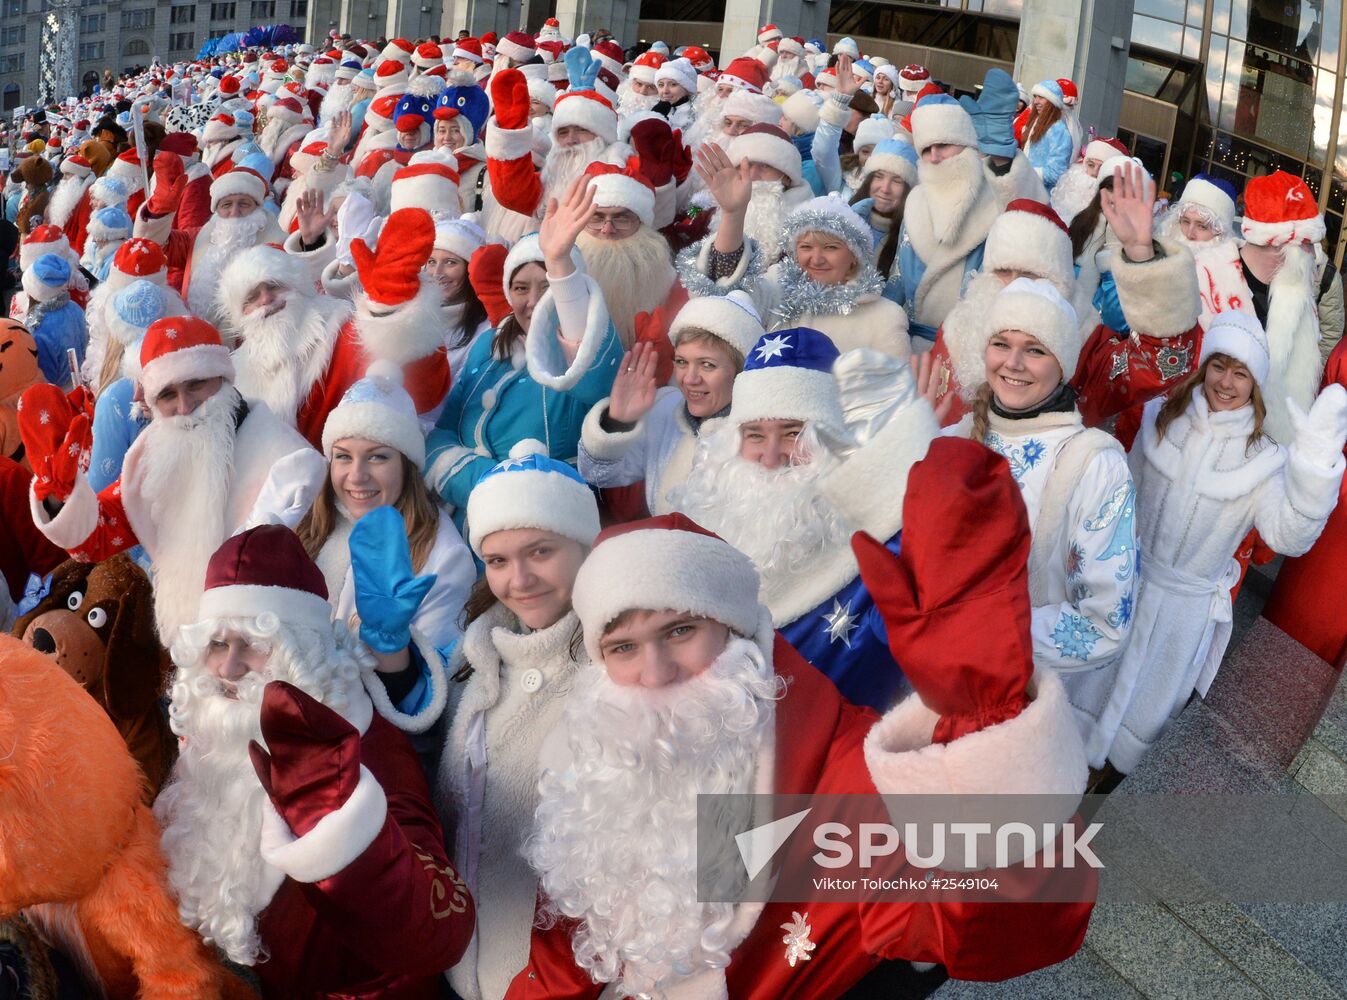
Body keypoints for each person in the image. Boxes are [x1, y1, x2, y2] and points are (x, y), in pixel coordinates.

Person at [507, 459, 1095, 997]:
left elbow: (1009, 919)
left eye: (680, 631)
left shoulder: (845, 774)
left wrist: (986, 712)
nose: (655, 673)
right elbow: (561, 964)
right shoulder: (600, 760)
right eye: (623, 648)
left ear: (735, 631)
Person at [155, 524, 475, 998]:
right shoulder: (211, 744)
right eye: (217, 644)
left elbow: (435, 937)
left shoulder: (369, 754)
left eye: (253, 644)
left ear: (302, 654)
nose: (229, 667)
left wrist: (336, 825)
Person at [1084, 313, 1347, 772]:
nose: (1226, 383)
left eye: (1240, 373)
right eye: (1219, 366)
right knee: (1082, 703)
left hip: (1182, 615)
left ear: (1256, 384)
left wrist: (1313, 473)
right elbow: (1121, 495)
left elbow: (1289, 537)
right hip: (1122, 588)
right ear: (1204, 366)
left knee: (1137, 731)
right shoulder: (1160, 418)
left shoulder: (1265, 459)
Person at [673, 328, 940, 710]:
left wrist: (917, 457)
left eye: (793, 434)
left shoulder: (879, 548)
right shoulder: (702, 525)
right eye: (754, 435)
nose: (771, 457)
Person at [19, 316, 326, 639]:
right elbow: (99, 538)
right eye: (168, 394)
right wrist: (59, 493)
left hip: (265, 638)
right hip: (187, 643)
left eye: (196, 384)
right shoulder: (155, 455)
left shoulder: (286, 460)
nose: (185, 406)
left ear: (222, 377)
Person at [934, 277, 1137, 754]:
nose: (1013, 363)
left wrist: (977, 636)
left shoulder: (1093, 464)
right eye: (1001, 344)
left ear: (1062, 364)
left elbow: (1104, 624)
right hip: (928, 681)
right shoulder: (955, 438)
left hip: (1014, 704)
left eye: (1035, 350)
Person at [432, 442, 602, 1000]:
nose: (520, 579)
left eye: (541, 551)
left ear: (585, 545)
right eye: (499, 561)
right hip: (460, 969)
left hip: (563, 982)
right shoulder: (474, 656)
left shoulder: (616, 668)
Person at [425, 179, 622, 533]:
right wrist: (477, 478)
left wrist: (559, 263)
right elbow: (443, 434)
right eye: (520, 288)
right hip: (460, 527)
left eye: (547, 286)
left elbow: (591, 375)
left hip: (540, 528)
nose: (532, 302)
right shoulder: (489, 346)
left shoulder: (587, 350)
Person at [930, 189, 1202, 433]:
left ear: (1059, 283)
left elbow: (1164, 362)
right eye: (1003, 271)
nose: (1013, 285)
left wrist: (1145, 261)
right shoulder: (957, 329)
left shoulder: (1088, 345)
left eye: (1029, 275)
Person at [295, 374, 476, 653]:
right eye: (343, 456)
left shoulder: (444, 557)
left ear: (407, 464)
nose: (357, 476)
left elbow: (431, 668)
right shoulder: (305, 522)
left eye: (377, 457)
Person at [687, 162, 912, 358]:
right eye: (805, 247)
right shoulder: (776, 289)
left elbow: (892, 389)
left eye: (830, 248)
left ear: (854, 256)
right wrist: (733, 215)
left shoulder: (885, 318)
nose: (816, 259)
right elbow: (721, 295)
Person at [578, 291, 764, 514]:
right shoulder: (664, 409)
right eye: (682, 362)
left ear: (742, 371)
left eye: (707, 365)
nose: (690, 378)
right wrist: (617, 422)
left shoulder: (761, 434)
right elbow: (598, 475)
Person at [892, 95, 1001, 342]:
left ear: (967, 145)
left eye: (943, 145)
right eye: (926, 149)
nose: (934, 157)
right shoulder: (915, 201)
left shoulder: (995, 204)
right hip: (907, 342)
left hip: (965, 345)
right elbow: (896, 280)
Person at [134, 152, 287, 328]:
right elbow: (153, 246)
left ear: (257, 206)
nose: (234, 212)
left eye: (244, 203)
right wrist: (161, 208)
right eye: (226, 204)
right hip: (196, 333)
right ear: (216, 210)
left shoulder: (277, 243)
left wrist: (309, 240)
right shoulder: (198, 237)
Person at [1157, 173, 1245, 330]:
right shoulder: (1157, 258)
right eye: (1185, 221)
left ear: (1220, 234)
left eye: (1202, 226)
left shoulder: (1229, 283)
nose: (1189, 234)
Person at [1020, 80, 1073, 190]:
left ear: (1052, 102)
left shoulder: (1060, 131)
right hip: (1025, 189)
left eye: (1041, 97)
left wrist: (1025, 172)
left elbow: (1056, 173)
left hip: (1041, 195)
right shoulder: (1034, 122)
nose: (1036, 101)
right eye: (1035, 96)